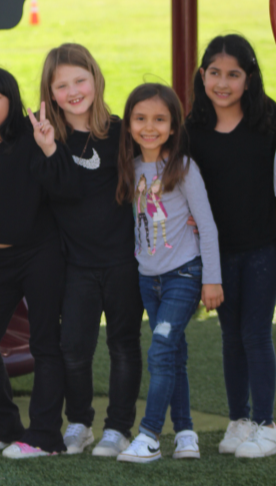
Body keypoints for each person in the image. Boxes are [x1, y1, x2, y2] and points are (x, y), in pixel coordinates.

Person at [0, 67, 77, 459]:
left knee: (44, 343)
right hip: (1, 258)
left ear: (12, 101)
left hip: (42, 252)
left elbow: (65, 187)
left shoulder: (28, 137)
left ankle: (45, 436)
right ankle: (4, 424)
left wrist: (49, 148)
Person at [39, 44, 143, 457]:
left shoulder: (122, 132)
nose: (73, 91)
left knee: (123, 345)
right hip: (76, 265)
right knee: (74, 350)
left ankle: (118, 428)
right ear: (50, 92)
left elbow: (166, 153)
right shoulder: (47, 135)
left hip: (122, 261)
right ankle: (79, 422)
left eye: (80, 80)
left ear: (96, 79)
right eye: (61, 85)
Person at [114, 83, 223, 464]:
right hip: (149, 278)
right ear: (128, 125)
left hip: (185, 275)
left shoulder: (184, 168)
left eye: (160, 119)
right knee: (173, 353)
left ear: (174, 126)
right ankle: (187, 433)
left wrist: (213, 279)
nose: (149, 126)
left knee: (160, 349)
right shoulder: (129, 165)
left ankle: (149, 437)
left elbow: (207, 226)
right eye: (140, 118)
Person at [187, 34, 276, 459]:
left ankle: (266, 423)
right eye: (215, 73)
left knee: (256, 334)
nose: (223, 83)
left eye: (234, 74)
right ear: (202, 74)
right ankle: (239, 420)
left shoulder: (269, 120)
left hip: (264, 248)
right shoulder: (192, 130)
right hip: (217, 253)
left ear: (249, 78)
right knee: (230, 336)